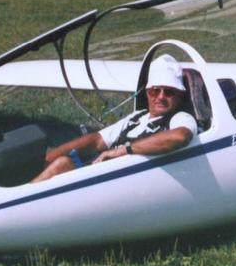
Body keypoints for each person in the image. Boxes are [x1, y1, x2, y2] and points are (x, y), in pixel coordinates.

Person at [32, 54, 197, 182]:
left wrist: (122, 151)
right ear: (147, 92)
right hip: (108, 174)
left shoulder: (180, 118)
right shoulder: (137, 117)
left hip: (128, 181)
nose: (160, 97)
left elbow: (180, 136)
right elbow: (96, 140)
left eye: (169, 92)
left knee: (63, 165)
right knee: (59, 160)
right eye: (155, 90)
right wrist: (48, 157)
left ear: (180, 96)